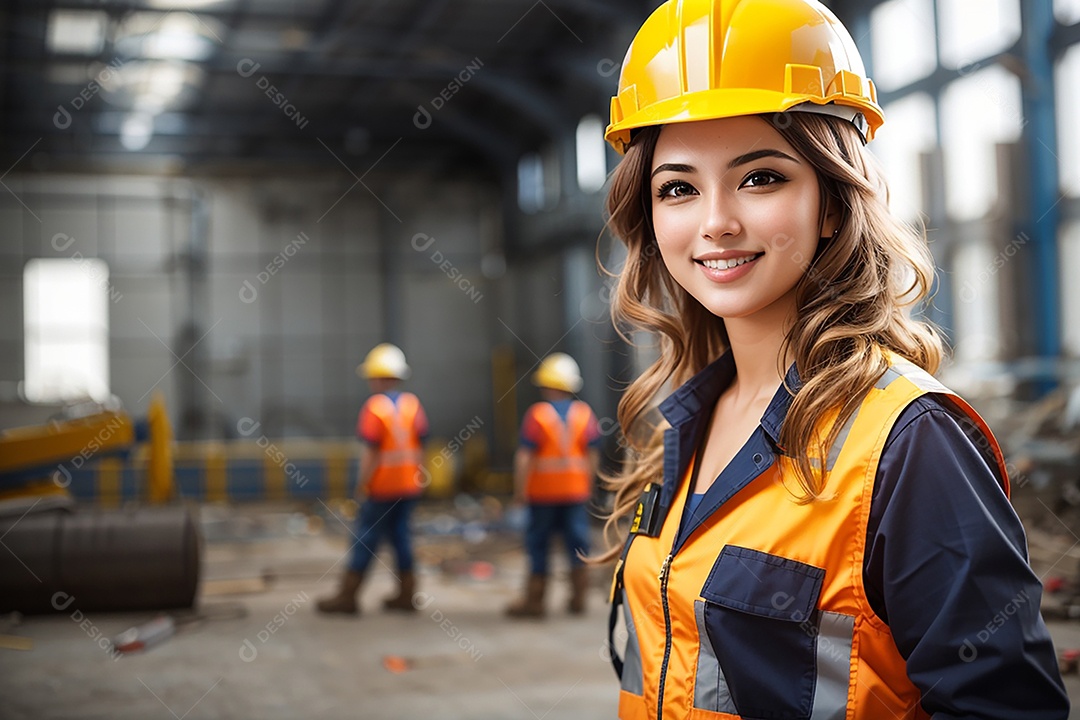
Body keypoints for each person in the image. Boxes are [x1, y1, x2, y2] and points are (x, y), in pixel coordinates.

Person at [598, 0, 1070, 717]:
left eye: (761, 177)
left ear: (830, 202)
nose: (716, 220)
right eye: (679, 188)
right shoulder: (683, 422)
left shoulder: (910, 444)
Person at [317, 343, 429, 616]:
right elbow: (421, 445)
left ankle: (348, 596)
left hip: (382, 487)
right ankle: (407, 594)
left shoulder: (375, 407)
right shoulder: (412, 405)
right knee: (401, 537)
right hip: (408, 486)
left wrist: (361, 484)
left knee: (365, 537)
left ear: (379, 377)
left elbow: (370, 452)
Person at [506, 353, 602, 618]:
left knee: (539, 543)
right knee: (577, 542)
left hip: (543, 494)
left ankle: (535, 602)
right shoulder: (584, 414)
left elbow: (525, 458)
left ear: (547, 385)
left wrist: (520, 492)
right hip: (574, 492)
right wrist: (588, 485)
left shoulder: (537, 415)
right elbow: (592, 455)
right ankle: (578, 598)